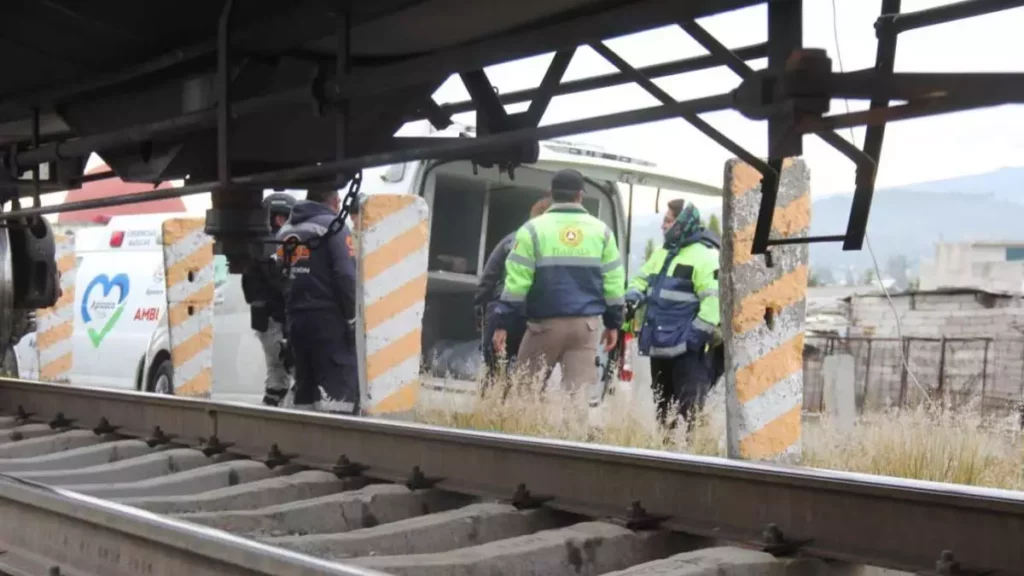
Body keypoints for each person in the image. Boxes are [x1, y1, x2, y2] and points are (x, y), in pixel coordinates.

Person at [493, 169, 625, 395]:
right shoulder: (602, 232)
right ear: (580, 196)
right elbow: (613, 284)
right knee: (578, 400)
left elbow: (516, 285)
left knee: (524, 395)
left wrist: (502, 323)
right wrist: (613, 323)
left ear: (552, 194)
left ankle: (523, 431)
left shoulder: (532, 230)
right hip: (586, 326)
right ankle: (571, 432)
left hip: (544, 325)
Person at [625, 199, 721, 430]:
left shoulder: (705, 257)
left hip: (688, 353)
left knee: (690, 417)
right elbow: (641, 279)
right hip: (660, 346)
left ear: (682, 224)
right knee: (663, 414)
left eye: (668, 221)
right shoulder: (662, 254)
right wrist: (632, 296)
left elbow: (714, 301)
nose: (663, 226)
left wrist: (693, 338)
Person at [275, 185, 359, 414]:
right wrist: (352, 318)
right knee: (338, 386)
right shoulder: (334, 227)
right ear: (333, 202)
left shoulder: (285, 232)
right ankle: (338, 441)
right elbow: (346, 275)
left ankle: (304, 440)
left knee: (305, 386)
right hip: (329, 320)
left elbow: (279, 278)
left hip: (296, 320)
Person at [475, 197, 553, 383]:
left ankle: (492, 408)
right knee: (528, 376)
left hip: (502, 311)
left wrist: (479, 311)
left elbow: (488, 277)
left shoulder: (510, 240)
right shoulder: (557, 248)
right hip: (537, 318)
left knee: (494, 372)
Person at [242, 192, 296, 407]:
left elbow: (249, 288)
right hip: (277, 321)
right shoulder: (273, 246)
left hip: (266, 321)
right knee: (296, 373)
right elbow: (283, 284)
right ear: (280, 218)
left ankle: (269, 420)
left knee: (276, 376)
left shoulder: (256, 245)